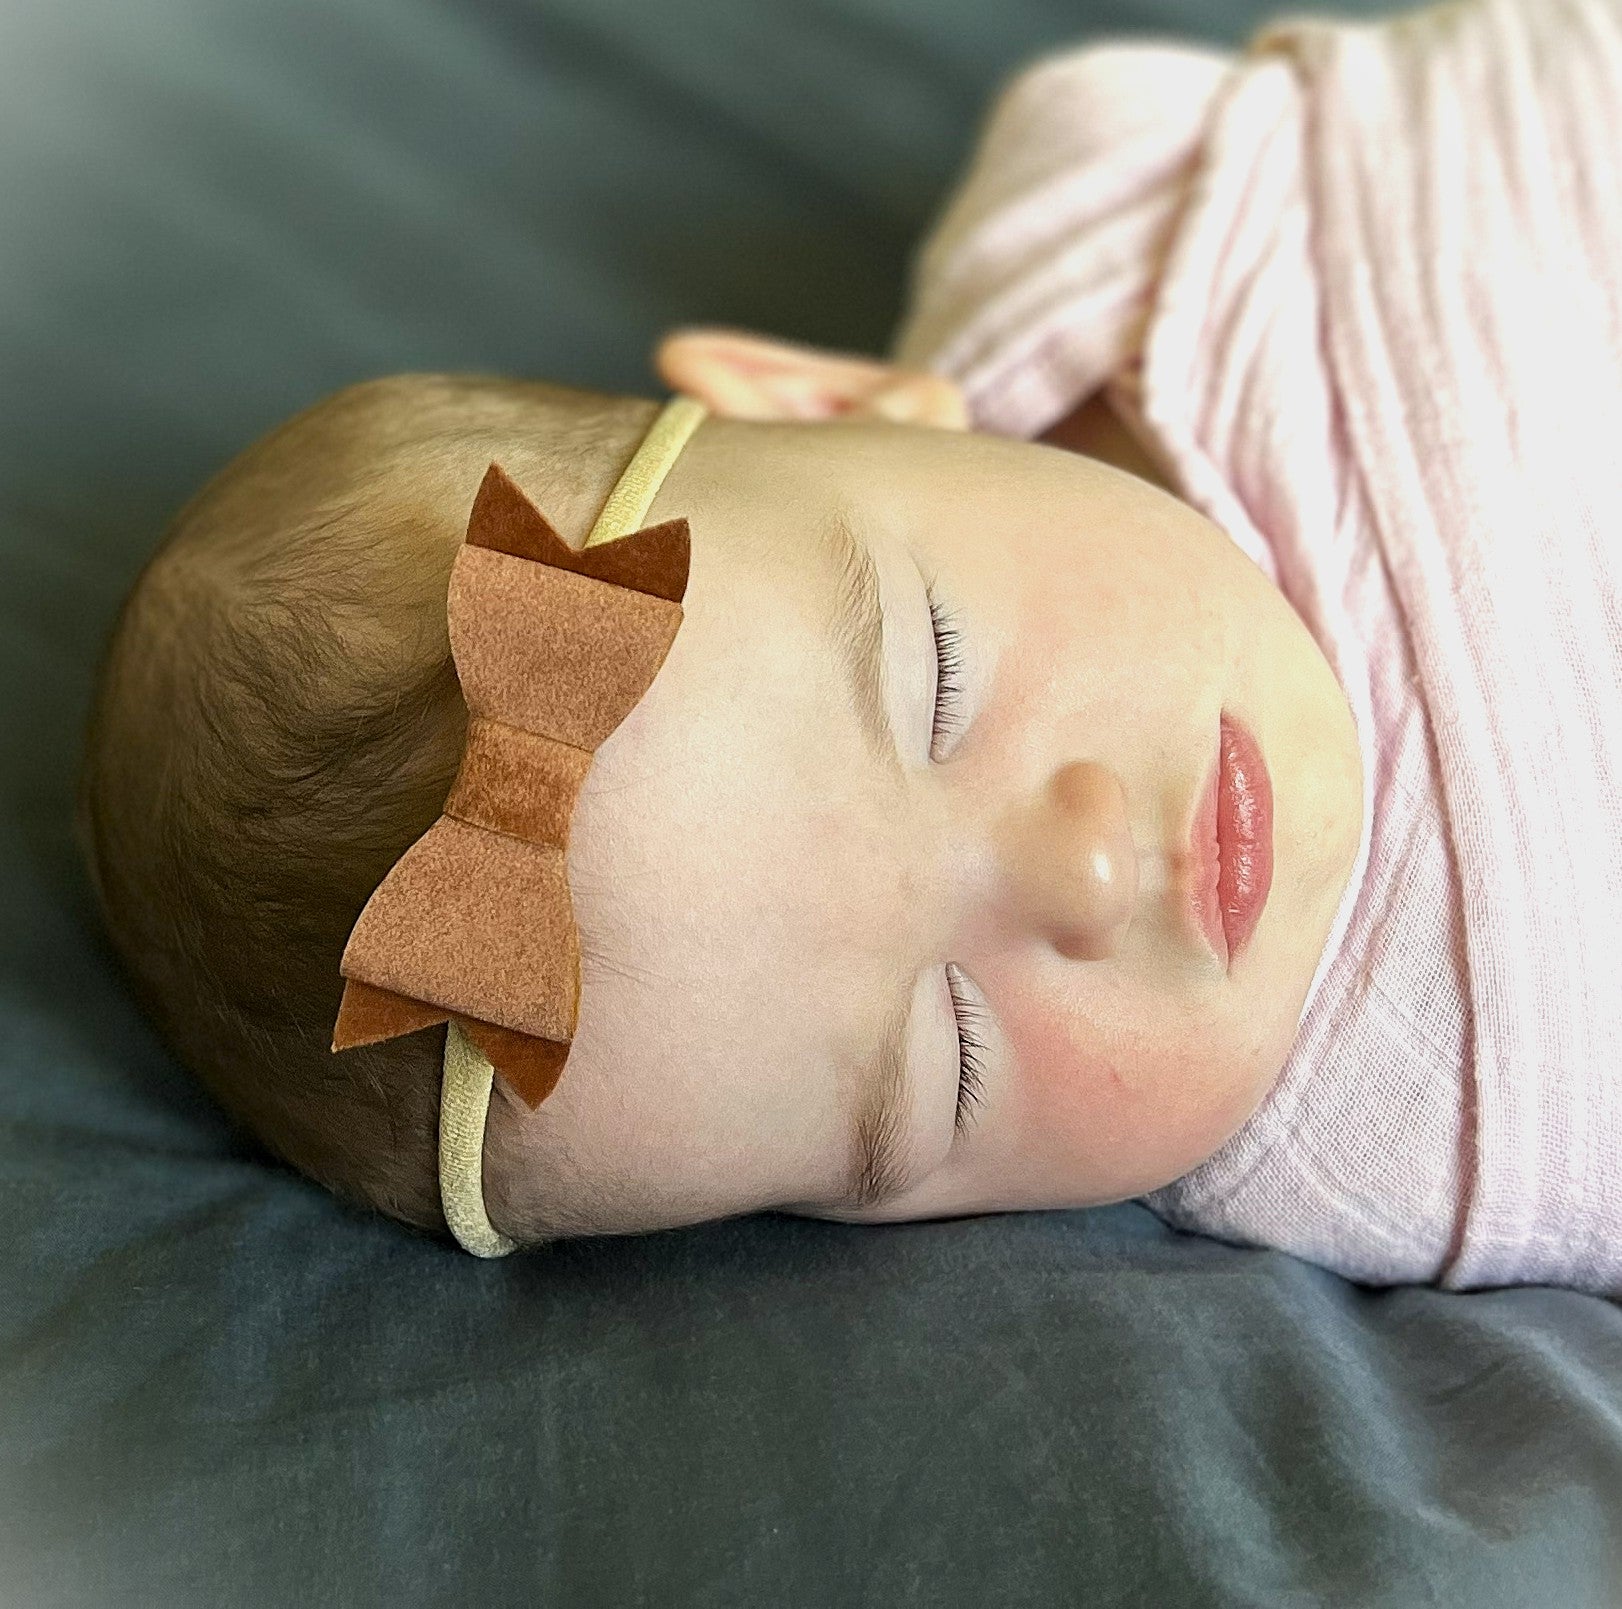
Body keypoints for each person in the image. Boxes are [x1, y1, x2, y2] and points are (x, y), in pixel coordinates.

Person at [78, 0, 1622, 1293]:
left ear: (831, 402)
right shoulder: (1429, 1127)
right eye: (950, 1060)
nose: (1083, 875)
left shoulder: (1145, 243)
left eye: (938, 672)